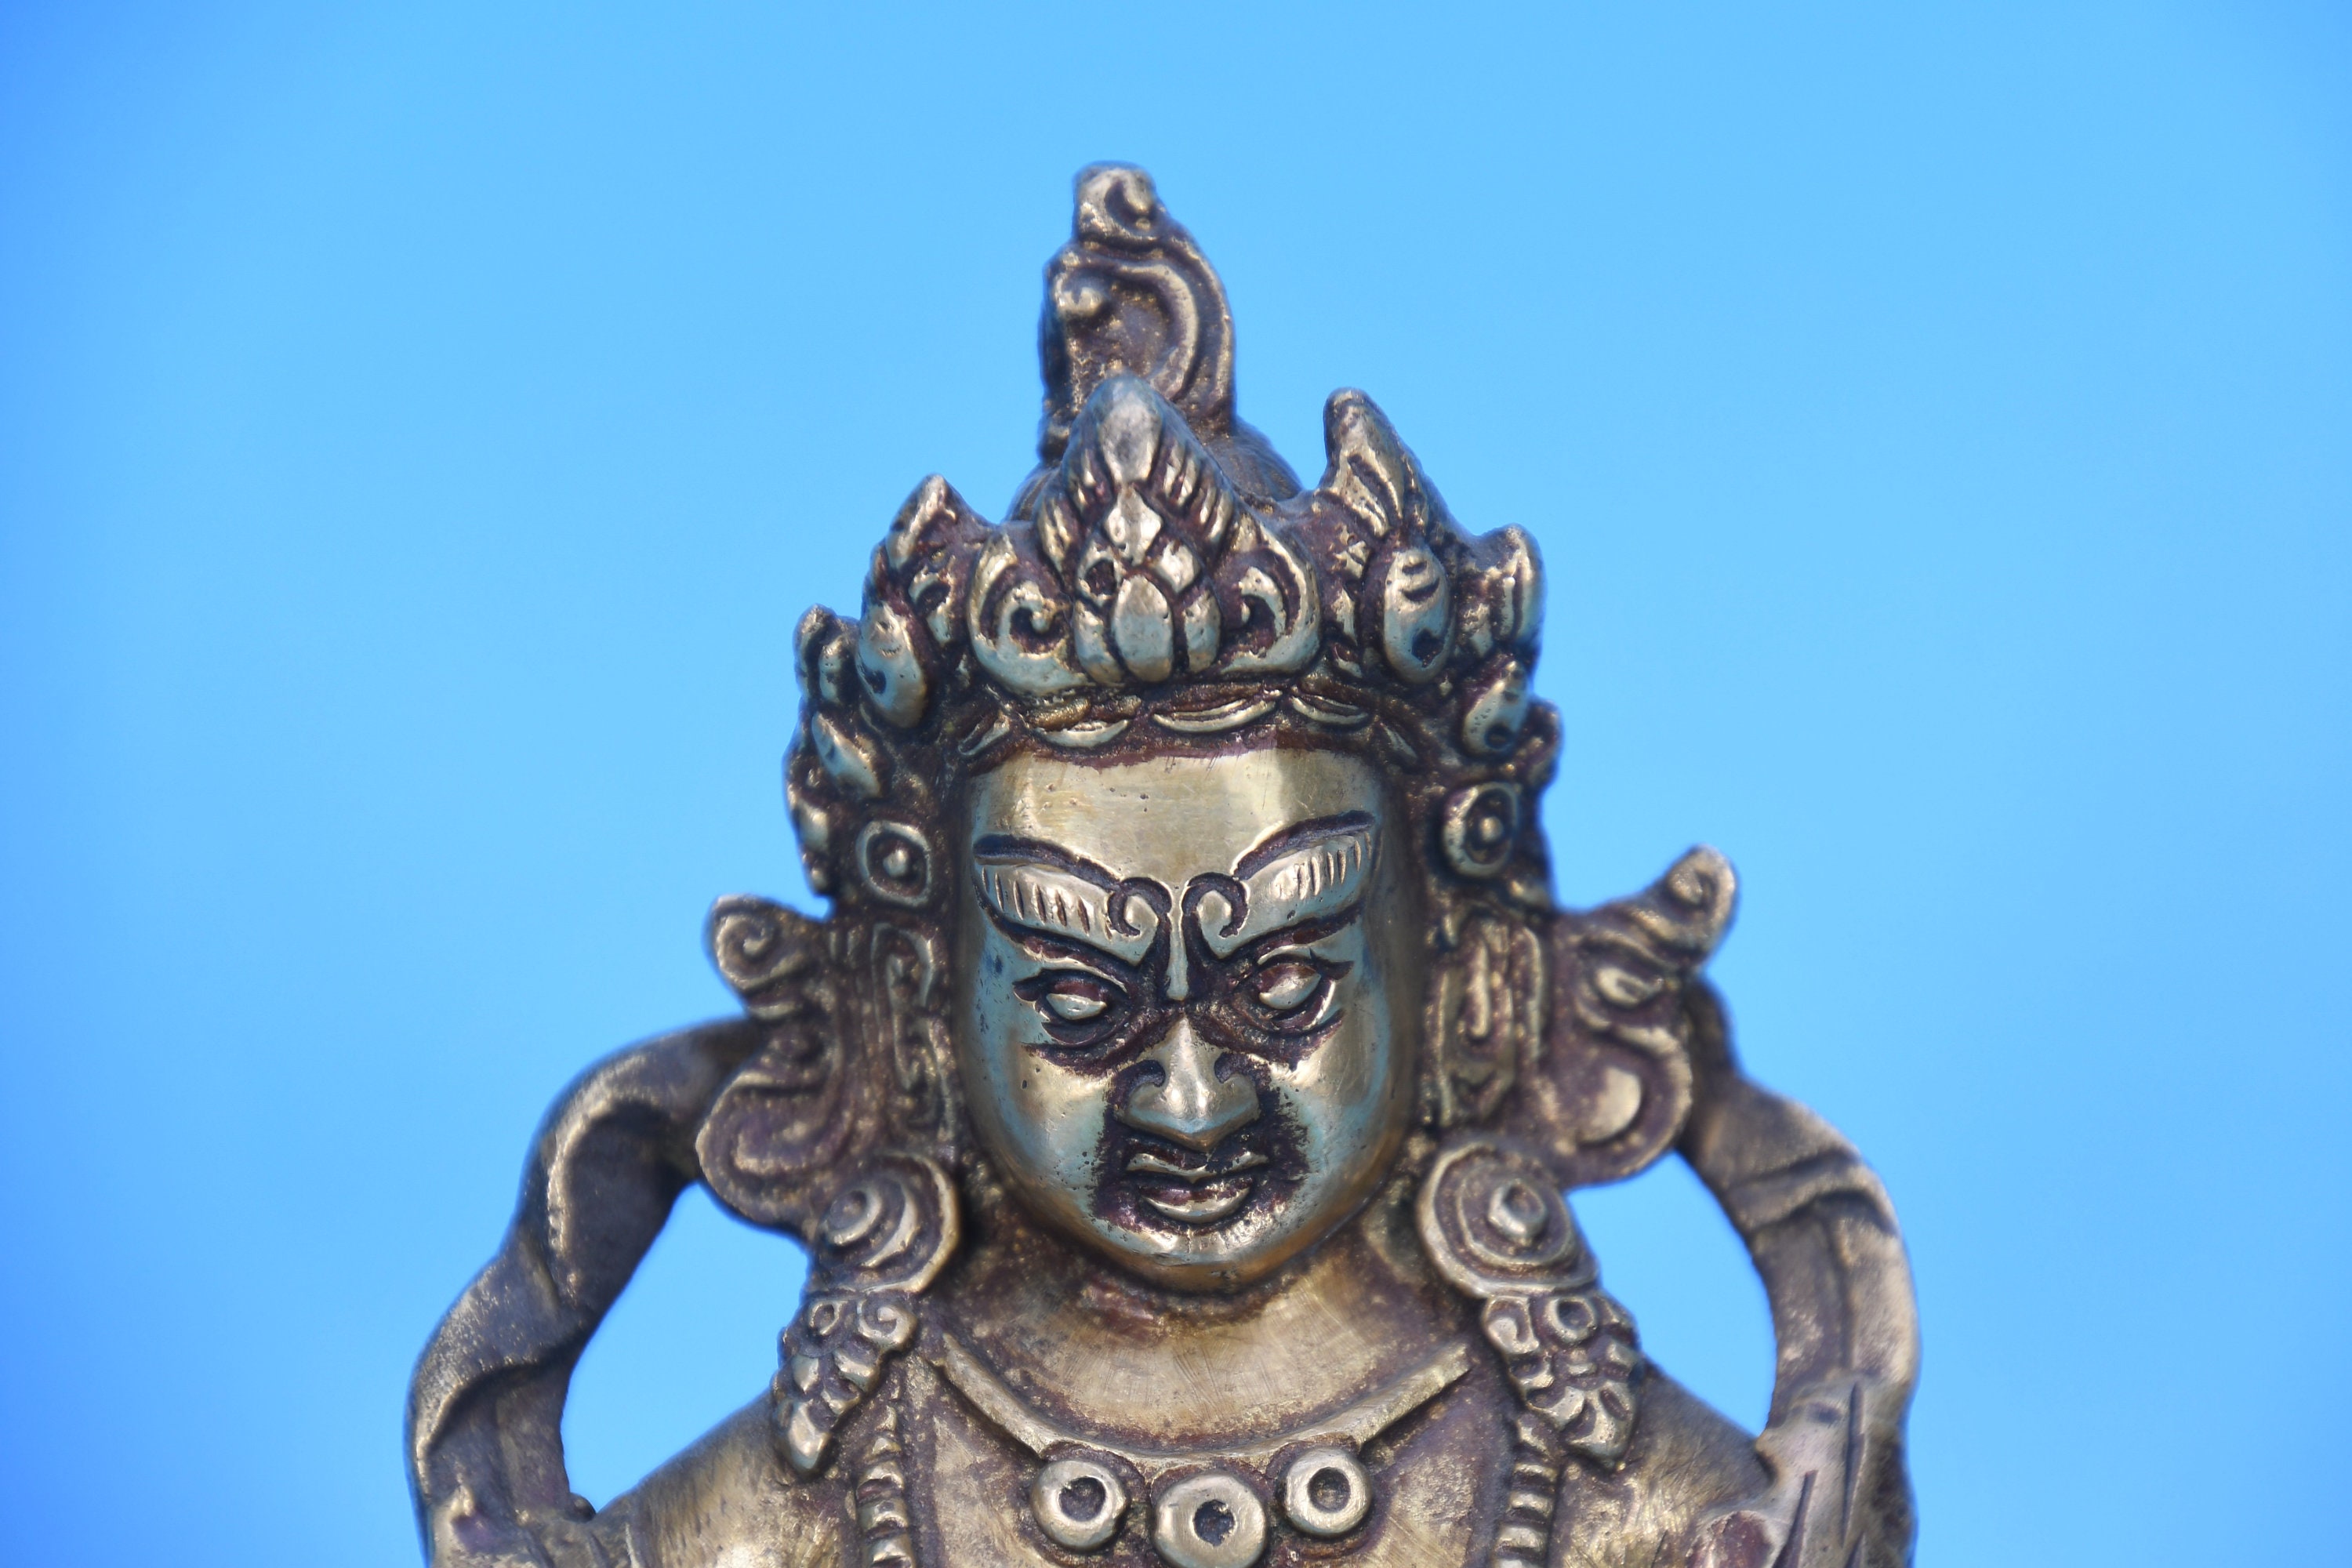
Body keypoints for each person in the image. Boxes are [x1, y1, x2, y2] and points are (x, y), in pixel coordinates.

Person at [408, 165, 1918, 1568]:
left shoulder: (1609, 1480)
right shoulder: (837, 1476)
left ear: (1464, 978)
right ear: (921, 1009)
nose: (1191, 1096)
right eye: (1078, 1000)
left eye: (1285, 982)